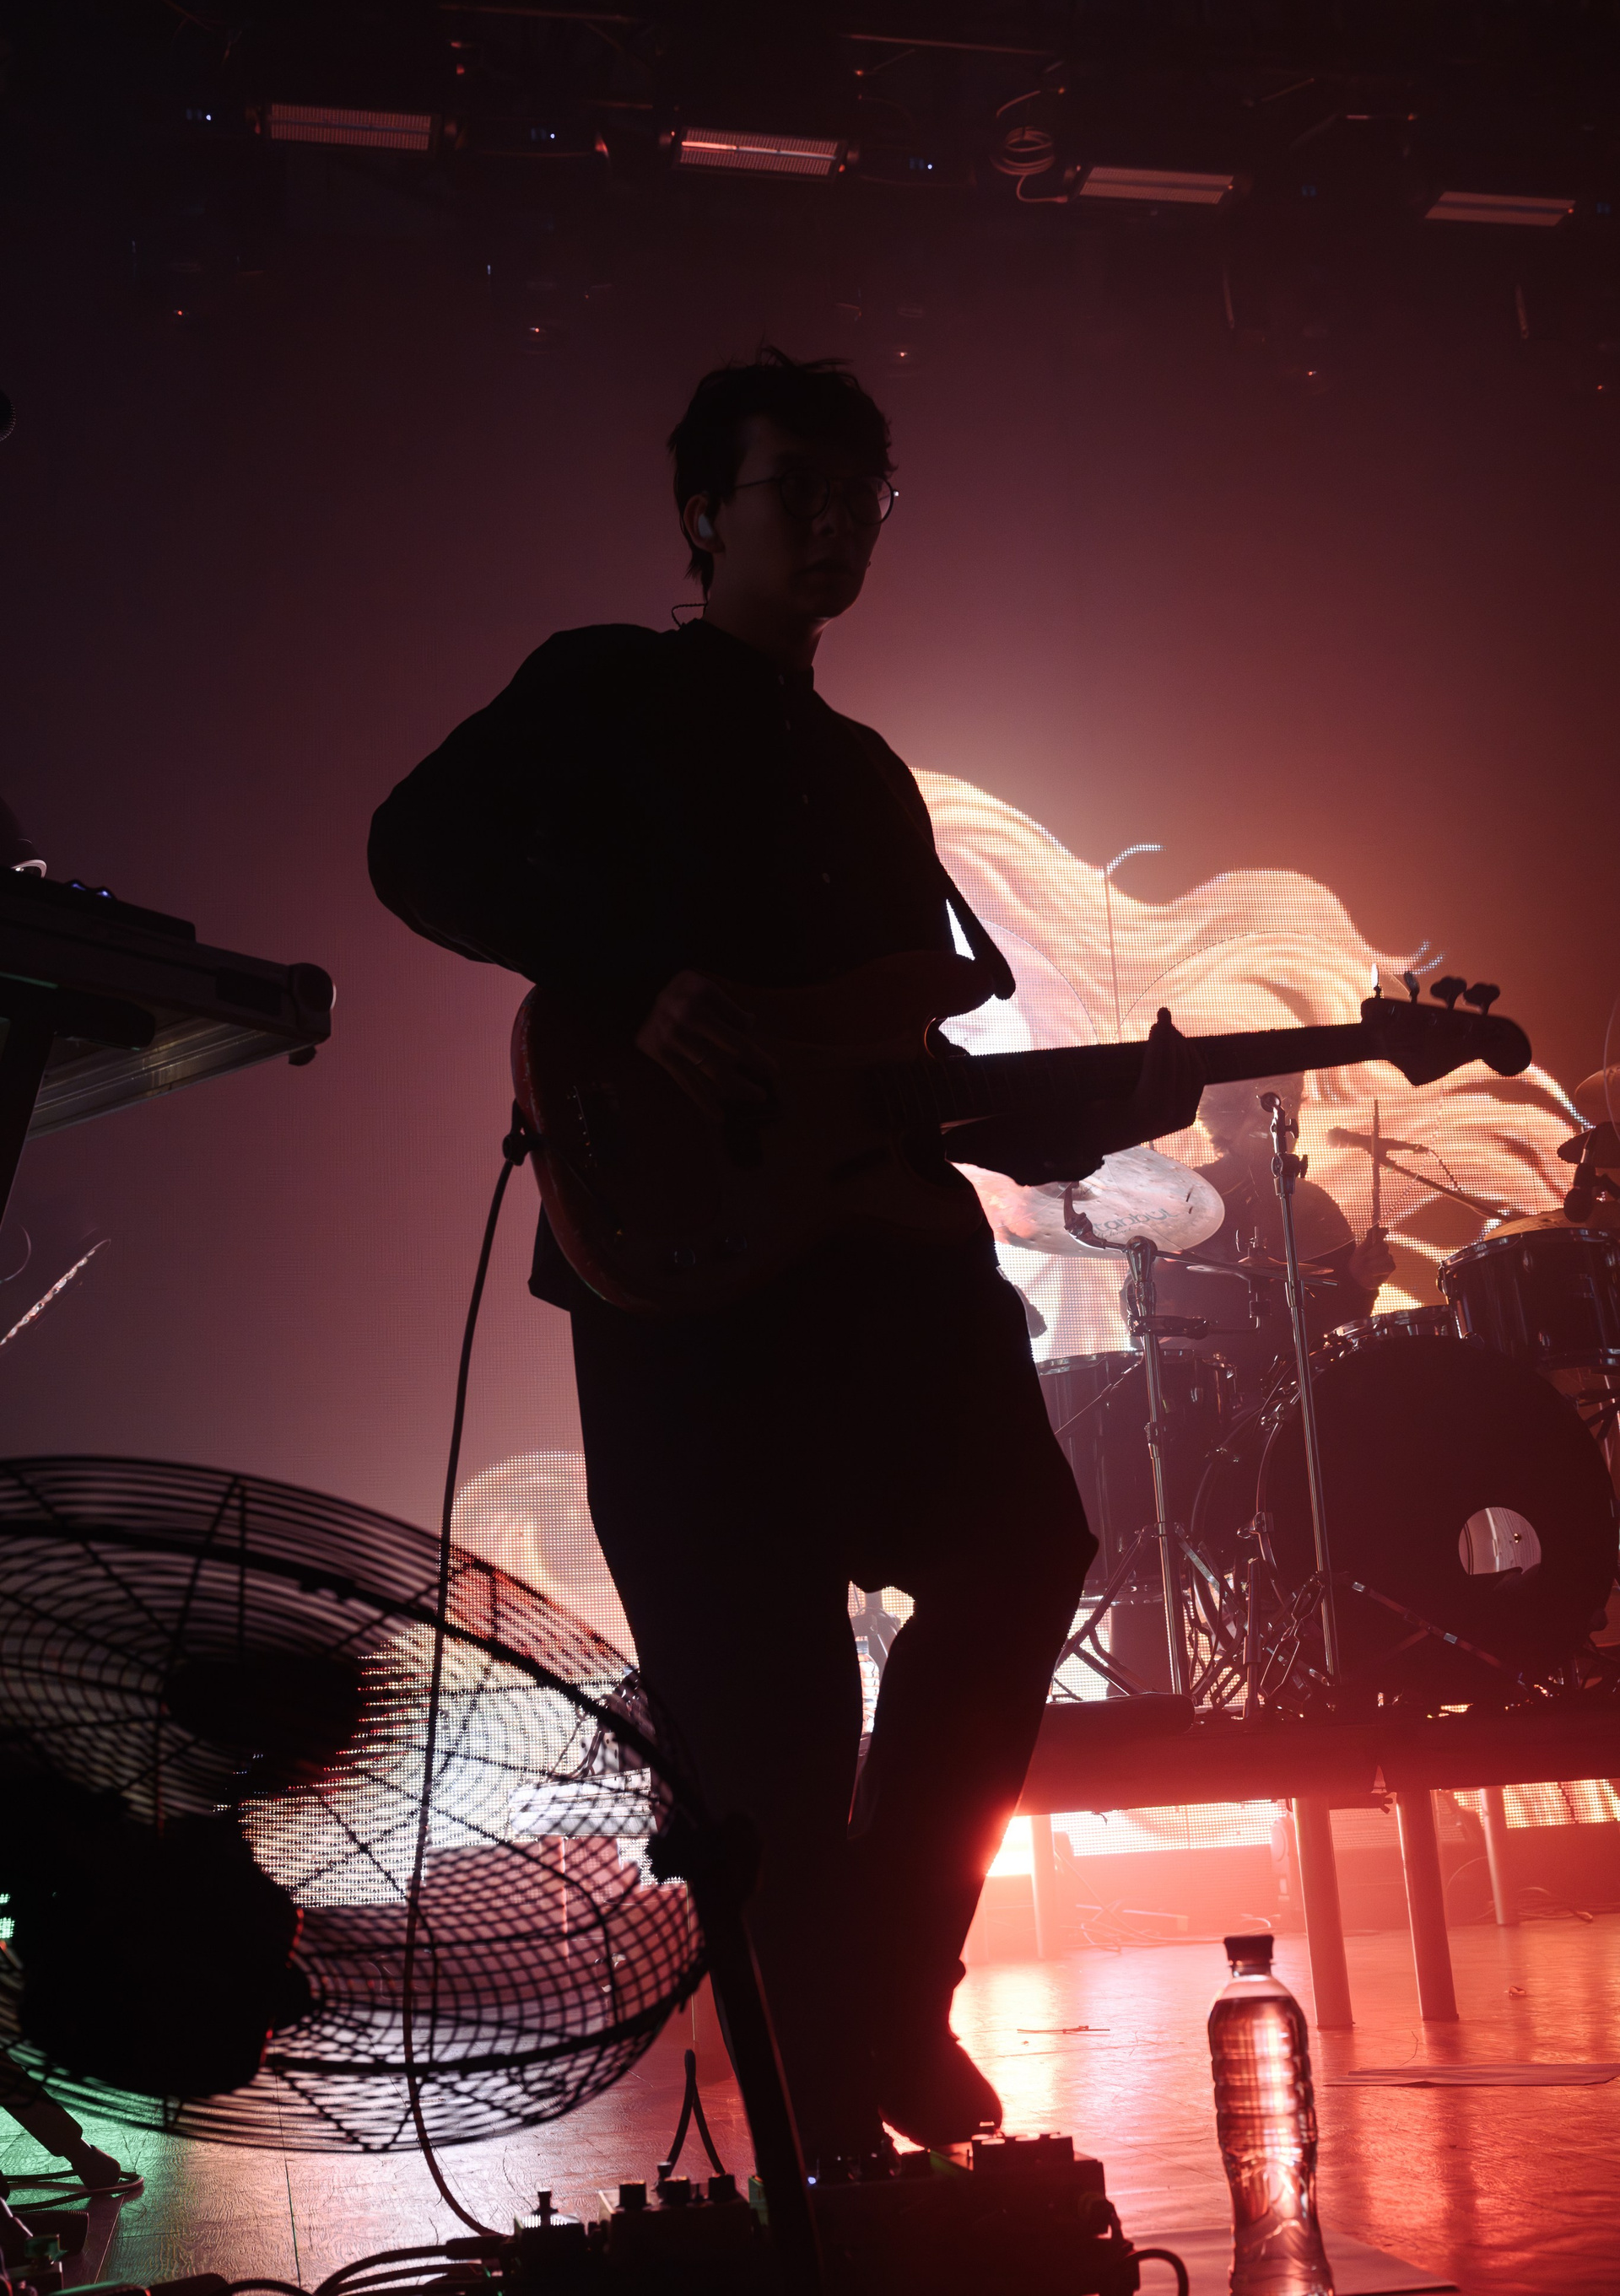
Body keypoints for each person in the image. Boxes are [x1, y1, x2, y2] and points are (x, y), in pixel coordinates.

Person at [368, 347, 1203, 2164]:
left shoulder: (872, 780)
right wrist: (625, 977)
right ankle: (835, 2160)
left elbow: (903, 1091)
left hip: (888, 1285)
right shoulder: (608, 687)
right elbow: (414, 845)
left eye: (860, 498)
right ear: (702, 515)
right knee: (771, 1737)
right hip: (685, 1295)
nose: (834, 525)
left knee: (1023, 1555)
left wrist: (1078, 1122)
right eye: (795, 492)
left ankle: (896, 1990)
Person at [1150, 1073, 1396, 1403]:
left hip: (1304, 1388)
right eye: (1268, 1112)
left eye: (1291, 1111)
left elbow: (1342, 1324)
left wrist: (1360, 1281)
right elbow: (1143, 1306)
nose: (1285, 1125)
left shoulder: (1313, 1203)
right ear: (1228, 1123)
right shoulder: (1189, 1197)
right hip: (1209, 1393)